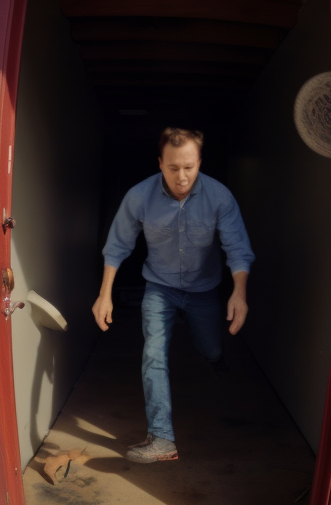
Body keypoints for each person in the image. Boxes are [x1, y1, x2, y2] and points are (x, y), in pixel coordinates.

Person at [92, 127, 255, 463]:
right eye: (173, 168)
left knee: (209, 345)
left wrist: (239, 292)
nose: (182, 177)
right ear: (160, 164)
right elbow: (118, 245)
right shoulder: (139, 196)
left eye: (189, 168)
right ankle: (162, 438)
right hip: (159, 287)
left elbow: (237, 248)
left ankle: (215, 359)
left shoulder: (219, 196)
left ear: (199, 163)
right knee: (154, 354)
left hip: (204, 290)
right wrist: (104, 294)